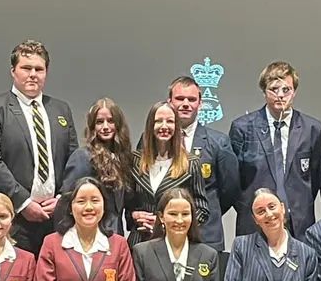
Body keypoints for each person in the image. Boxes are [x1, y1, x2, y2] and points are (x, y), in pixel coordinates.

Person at [0, 40, 79, 254]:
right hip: (11, 216)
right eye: (26, 68)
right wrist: (22, 202)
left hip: (55, 218)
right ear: (13, 71)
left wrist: (62, 199)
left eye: (39, 69)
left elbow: (73, 160)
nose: (33, 75)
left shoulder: (61, 109)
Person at [228, 61, 321, 239]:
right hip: (254, 222)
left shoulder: (312, 128)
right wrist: (251, 208)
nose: (280, 95)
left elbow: (315, 178)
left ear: (294, 92)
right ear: (264, 92)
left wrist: (295, 204)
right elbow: (233, 180)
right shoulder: (242, 127)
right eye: (274, 89)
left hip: (299, 222)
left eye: (286, 89)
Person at [166, 76, 239, 252]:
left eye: (191, 99)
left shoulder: (218, 142)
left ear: (200, 103)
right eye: (179, 98)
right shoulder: (153, 140)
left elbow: (230, 190)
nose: (185, 104)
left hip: (206, 234)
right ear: (169, 102)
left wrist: (206, 210)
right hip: (164, 234)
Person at [125, 101, 208, 246]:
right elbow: (128, 204)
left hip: (174, 242)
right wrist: (134, 215)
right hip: (139, 242)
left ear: (177, 126)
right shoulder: (135, 160)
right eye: (158, 121)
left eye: (170, 121)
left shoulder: (190, 163)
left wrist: (169, 222)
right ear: (150, 126)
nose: (164, 126)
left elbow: (202, 210)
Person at [60, 98, 133, 238]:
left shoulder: (124, 158)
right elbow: (67, 201)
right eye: (99, 122)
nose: (105, 127)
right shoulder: (82, 157)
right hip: (90, 235)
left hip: (116, 234)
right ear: (93, 126)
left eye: (110, 121)